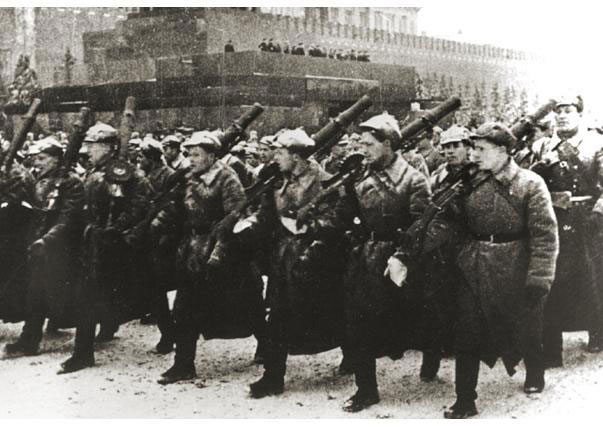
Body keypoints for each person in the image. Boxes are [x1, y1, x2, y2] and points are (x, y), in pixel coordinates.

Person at [444, 122, 558, 418]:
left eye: (481, 149)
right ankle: (464, 399)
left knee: (527, 327)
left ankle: (535, 372)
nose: (475, 155)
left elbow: (545, 236)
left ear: (504, 151)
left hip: (516, 267)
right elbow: (457, 225)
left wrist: (539, 278)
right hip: (475, 265)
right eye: (474, 148)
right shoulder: (470, 183)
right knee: (466, 332)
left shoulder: (530, 184)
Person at [154, 131, 266, 385]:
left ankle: (268, 348)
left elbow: (236, 215)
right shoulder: (189, 178)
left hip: (223, 253)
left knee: (248, 306)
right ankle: (183, 364)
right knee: (184, 308)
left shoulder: (227, 178)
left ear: (212, 155)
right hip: (192, 252)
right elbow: (178, 210)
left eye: (196, 154)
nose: (191, 159)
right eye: (189, 154)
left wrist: (219, 251)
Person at [339, 113, 431, 412]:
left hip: (400, 258)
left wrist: (402, 257)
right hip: (365, 258)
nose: (362, 150)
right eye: (361, 144)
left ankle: (431, 359)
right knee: (359, 323)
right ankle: (366, 390)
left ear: (388, 144)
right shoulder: (359, 178)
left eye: (369, 144)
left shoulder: (414, 180)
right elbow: (344, 215)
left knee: (413, 320)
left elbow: (422, 225)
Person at [248, 129, 347, 398]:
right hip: (284, 260)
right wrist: (251, 224)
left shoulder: (325, 182)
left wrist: (307, 227)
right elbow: (267, 214)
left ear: (295, 155)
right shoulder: (279, 181)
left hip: (316, 259)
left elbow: (337, 220)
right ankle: (272, 378)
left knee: (333, 312)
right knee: (278, 316)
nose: (275, 157)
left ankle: (351, 355)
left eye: (280, 152)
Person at [58, 122, 150, 374]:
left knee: (94, 294)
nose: (88, 150)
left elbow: (140, 204)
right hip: (92, 241)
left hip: (110, 244)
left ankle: (83, 353)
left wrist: (117, 228)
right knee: (88, 294)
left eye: (93, 146)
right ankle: (86, 349)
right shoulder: (94, 171)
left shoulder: (124, 173)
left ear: (108, 147)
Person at [530, 95, 603, 366]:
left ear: (579, 114)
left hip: (587, 219)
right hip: (552, 217)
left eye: (568, 111)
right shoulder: (542, 145)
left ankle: (598, 331)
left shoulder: (596, 143)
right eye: (558, 111)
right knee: (554, 279)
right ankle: (553, 346)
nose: (562, 116)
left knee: (593, 277)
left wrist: (598, 213)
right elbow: (533, 180)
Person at [5, 137, 84, 356]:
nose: (37, 163)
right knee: (35, 292)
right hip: (37, 245)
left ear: (57, 158)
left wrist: (47, 240)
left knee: (49, 292)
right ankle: (30, 339)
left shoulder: (71, 182)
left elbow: (68, 217)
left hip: (59, 246)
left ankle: (33, 340)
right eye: (36, 159)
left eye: (42, 158)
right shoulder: (38, 179)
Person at [137, 136, 177, 353]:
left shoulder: (168, 175)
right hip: (149, 238)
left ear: (151, 158)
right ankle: (168, 335)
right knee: (155, 290)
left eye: (141, 157)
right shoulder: (148, 174)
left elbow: (171, 208)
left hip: (164, 240)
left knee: (158, 289)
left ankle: (169, 337)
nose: (139, 161)